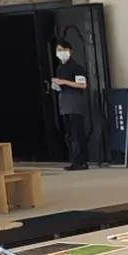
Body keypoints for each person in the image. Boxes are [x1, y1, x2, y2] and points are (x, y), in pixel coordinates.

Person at [51, 41, 89, 171]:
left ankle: (82, 161)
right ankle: (74, 159)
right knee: (70, 134)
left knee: (78, 133)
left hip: (75, 102)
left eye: (62, 49)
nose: (60, 52)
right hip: (64, 102)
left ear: (70, 51)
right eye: (58, 50)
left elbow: (82, 85)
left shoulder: (77, 67)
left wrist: (63, 81)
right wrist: (57, 85)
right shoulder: (60, 68)